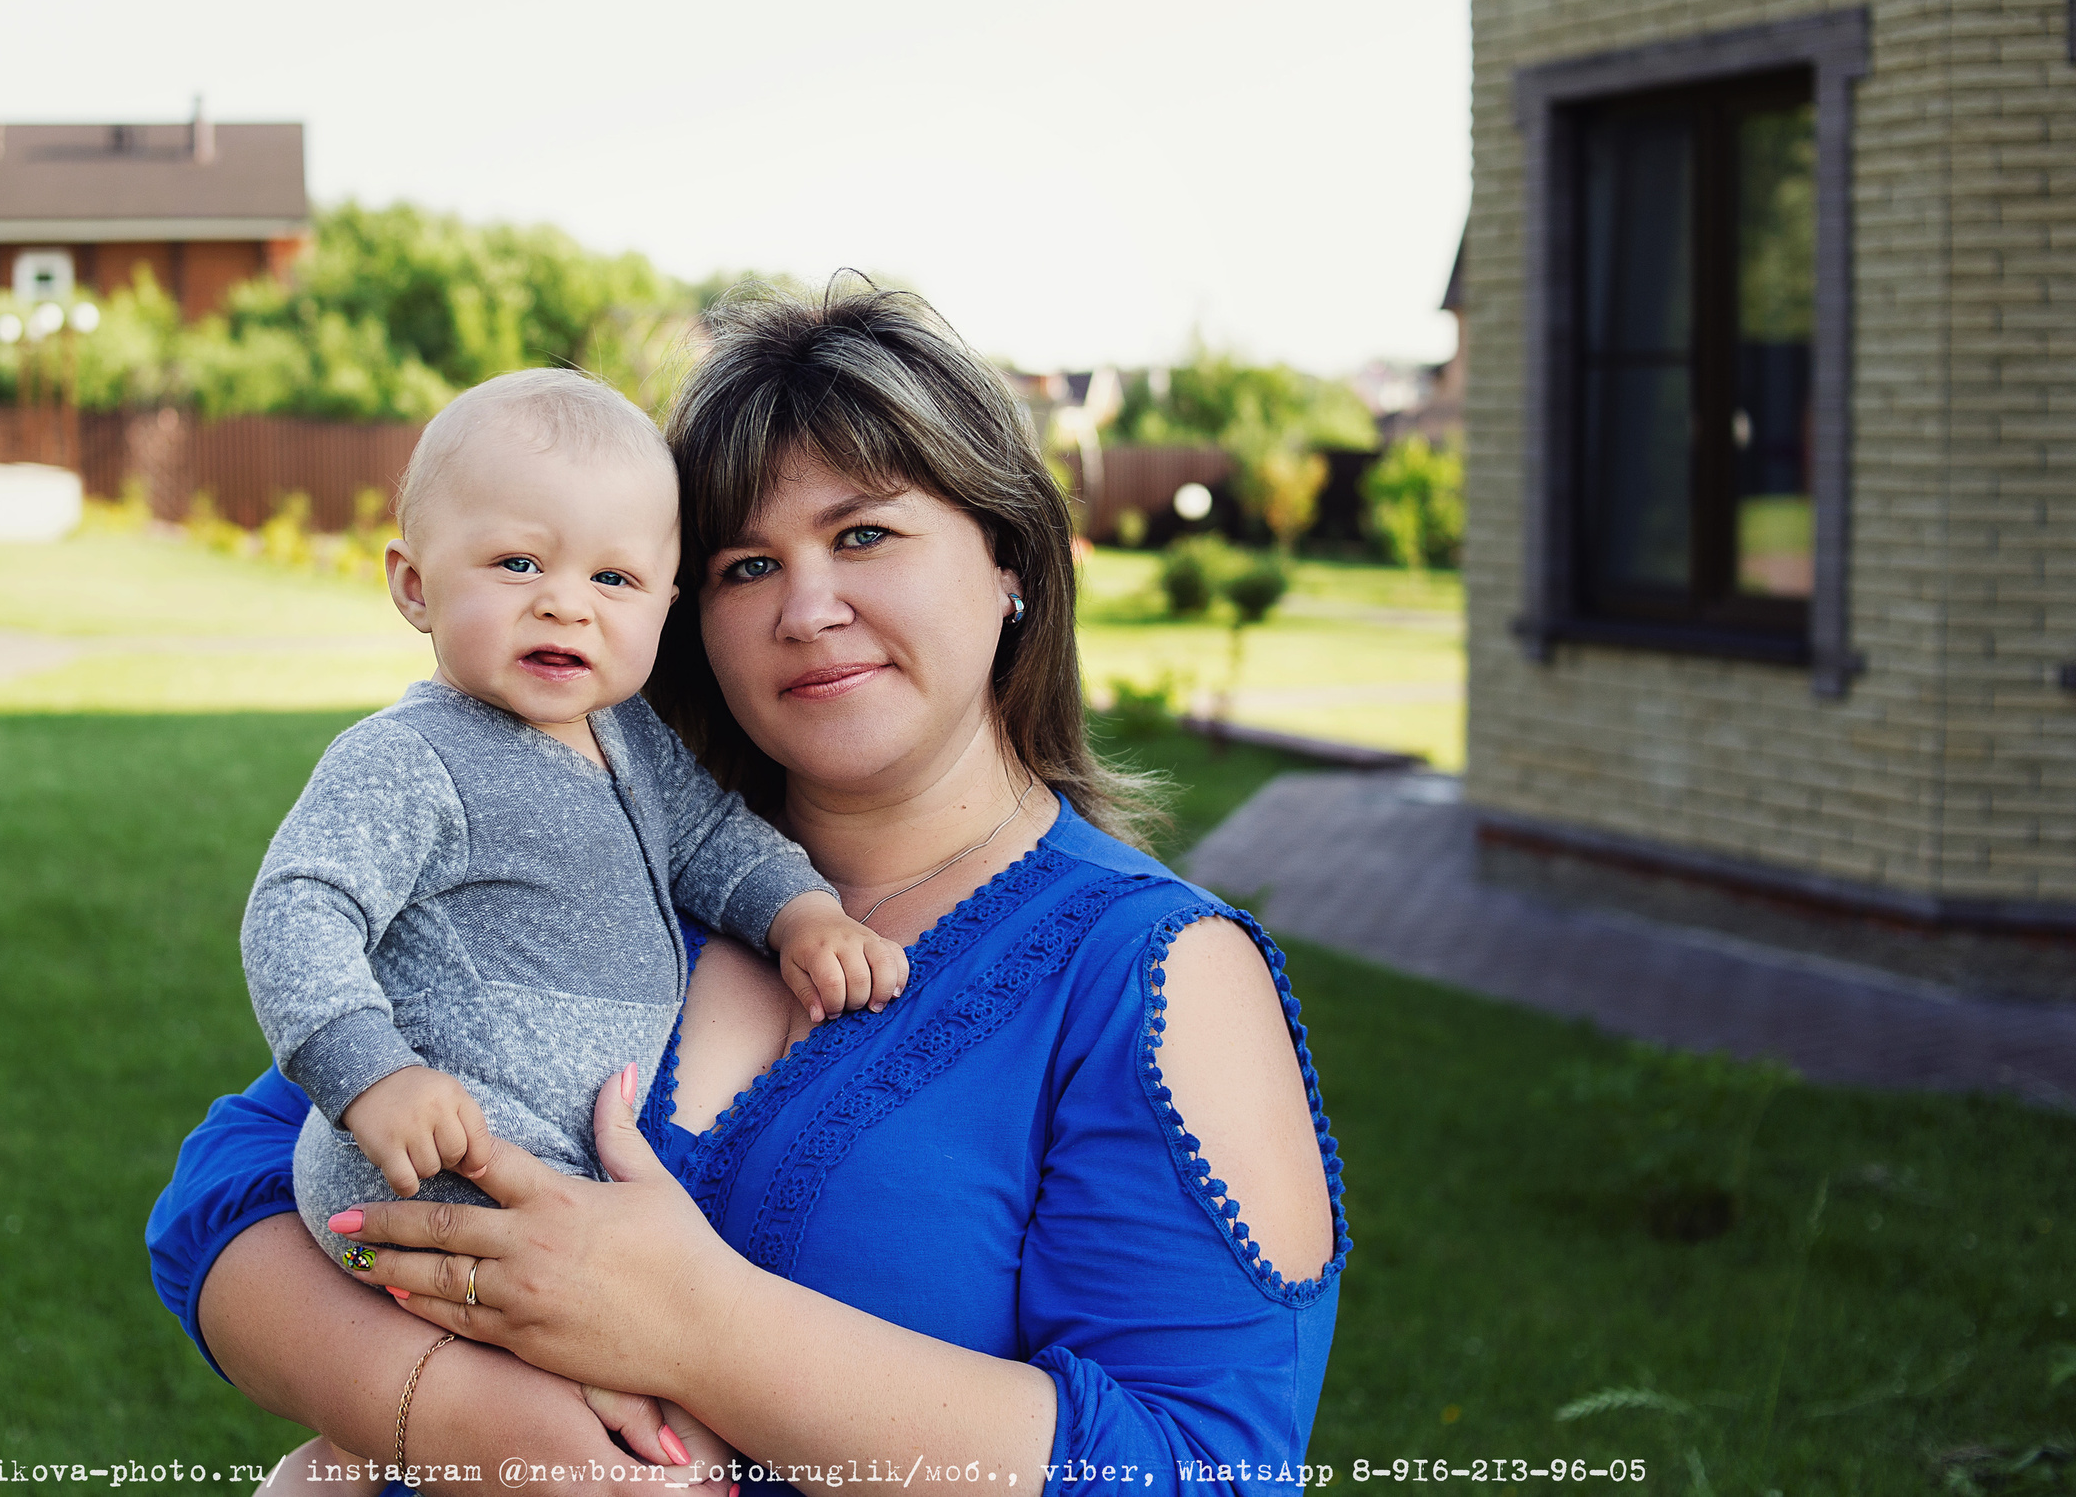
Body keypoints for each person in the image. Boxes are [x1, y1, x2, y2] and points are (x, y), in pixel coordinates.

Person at [148, 283, 1350, 1497]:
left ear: (1010, 565)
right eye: (745, 565)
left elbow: (1204, 1468)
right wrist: (467, 1423)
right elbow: (225, 1192)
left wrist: (702, 1329)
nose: (807, 608)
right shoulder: (604, 849)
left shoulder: (1149, 973)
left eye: (865, 535)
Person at [242, 368, 905, 1475]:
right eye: (516, 564)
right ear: (412, 585)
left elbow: (712, 844)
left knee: (568, 1372)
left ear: (664, 605)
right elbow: (298, 910)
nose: (565, 602)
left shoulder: (630, 742)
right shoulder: (411, 758)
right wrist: (371, 1075)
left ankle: (343, 1464)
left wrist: (799, 917)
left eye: (614, 576)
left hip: (554, 1173)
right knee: (617, 1404)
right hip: (429, 1165)